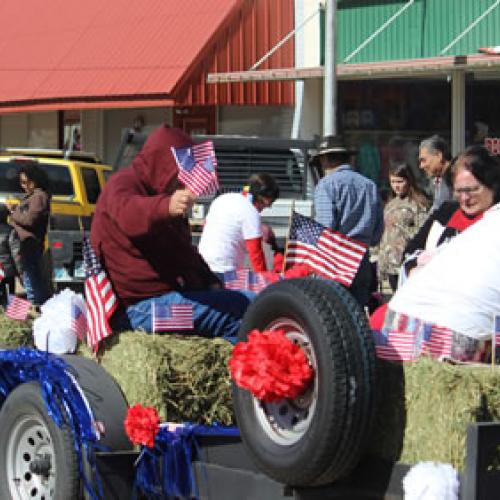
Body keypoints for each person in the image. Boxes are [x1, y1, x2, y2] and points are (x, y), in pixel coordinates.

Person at [90, 125, 254, 343]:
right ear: (163, 164)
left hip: (163, 301)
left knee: (249, 302)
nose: (183, 182)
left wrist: (209, 280)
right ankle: (233, 373)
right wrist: (166, 206)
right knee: (243, 311)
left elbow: (183, 251)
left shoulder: (162, 194)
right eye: (180, 174)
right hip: (141, 312)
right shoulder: (122, 184)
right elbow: (129, 214)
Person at [403, 145, 500, 277]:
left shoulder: (495, 219)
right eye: (459, 191)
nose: (465, 198)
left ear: (493, 186)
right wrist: (415, 269)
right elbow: (410, 251)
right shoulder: (445, 213)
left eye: (472, 190)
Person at [312, 135, 384, 307]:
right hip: (361, 258)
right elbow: (377, 232)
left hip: (336, 261)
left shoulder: (326, 185)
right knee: (357, 315)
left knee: (334, 315)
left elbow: (326, 228)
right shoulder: (369, 185)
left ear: (324, 160)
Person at [198, 173, 279, 277]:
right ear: (262, 198)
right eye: (269, 204)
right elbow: (255, 254)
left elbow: (206, 226)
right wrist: (264, 280)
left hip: (202, 263)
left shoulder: (222, 199)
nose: (267, 208)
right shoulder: (250, 211)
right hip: (225, 269)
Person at [377, 163, 430, 292]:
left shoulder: (418, 204)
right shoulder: (391, 204)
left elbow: (423, 233)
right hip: (388, 264)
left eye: (400, 181)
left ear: (408, 180)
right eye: (393, 182)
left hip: (406, 263)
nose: (396, 186)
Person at [7, 165, 52, 306]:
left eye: (27, 182)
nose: (24, 186)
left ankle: (36, 307)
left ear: (36, 180)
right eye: (21, 182)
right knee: (30, 277)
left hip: (30, 244)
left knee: (31, 279)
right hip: (27, 244)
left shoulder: (39, 197)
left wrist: (14, 214)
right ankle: (38, 305)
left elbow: (30, 220)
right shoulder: (34, 196)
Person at [418, 135, 453, 212]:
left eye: (423, 160)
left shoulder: (455, 179)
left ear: (438, 156)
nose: (421, 166)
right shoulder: (437, 181)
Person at [0, 204, 18, 304]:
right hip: (8, 267)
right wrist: (19, 269)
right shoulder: (11, 230)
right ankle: (11, 307)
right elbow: (15, 251)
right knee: (10, 290)